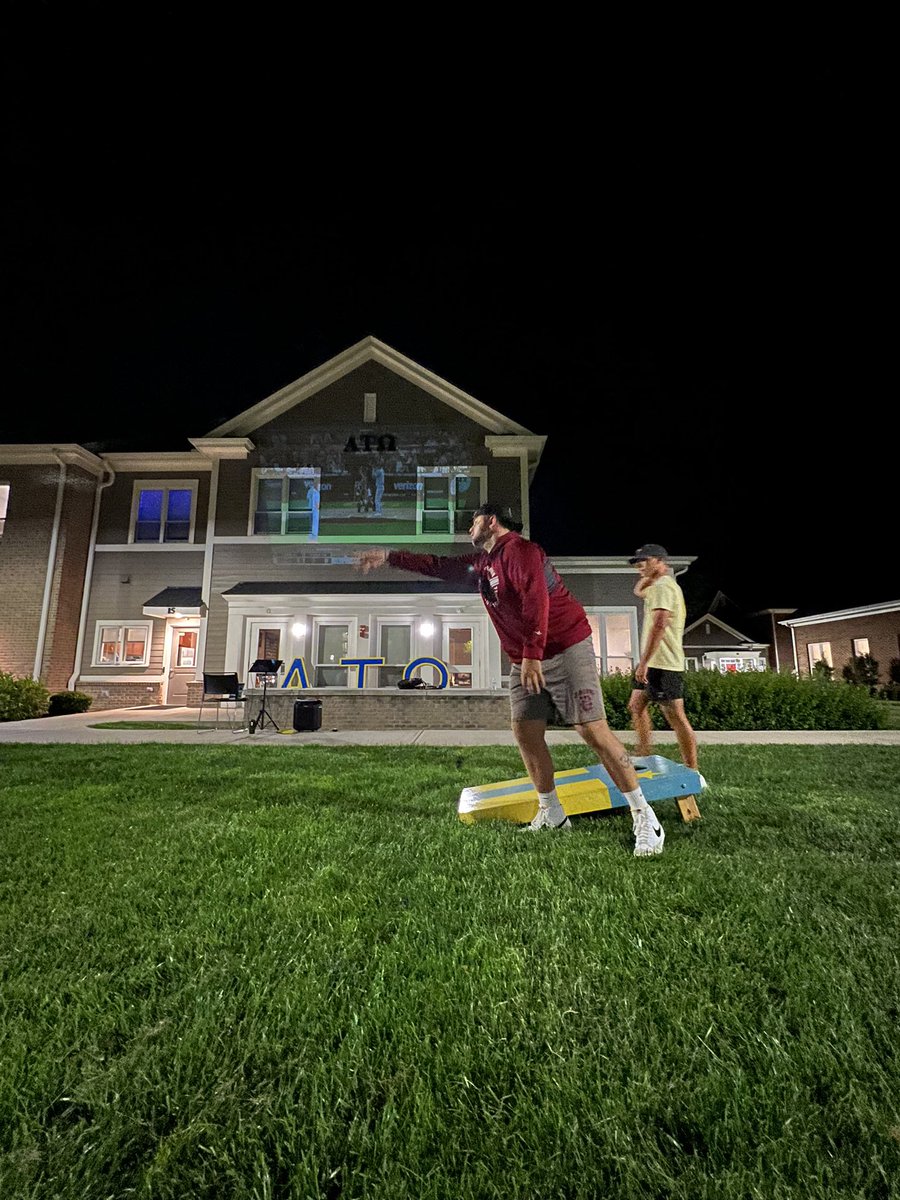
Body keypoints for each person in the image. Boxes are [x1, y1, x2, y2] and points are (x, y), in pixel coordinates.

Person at [356, 504, 666, 855]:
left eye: (473, 521)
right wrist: (389, 556)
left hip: (565, 646)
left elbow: (537, 600)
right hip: (526, 658)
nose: (468, 528)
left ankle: (645, 816)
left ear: (491, 521)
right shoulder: (485, 564)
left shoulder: (522, 551)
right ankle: (551, 811)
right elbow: (438, 566)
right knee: (526, 731)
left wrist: (533, 653)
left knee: (592, 731)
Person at [627, 544, 698, 772]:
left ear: (659, 560)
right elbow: (638, 591)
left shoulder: (664, 587)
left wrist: (644, 663)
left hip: (663, 663)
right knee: (636, 705)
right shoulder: (659, 585)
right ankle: (644, 754)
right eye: (637, 563)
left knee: (675, 716)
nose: (639, 566)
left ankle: (692, 768)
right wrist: (649, 574)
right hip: (653, 662)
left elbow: (659, 625)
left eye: (644, 561)